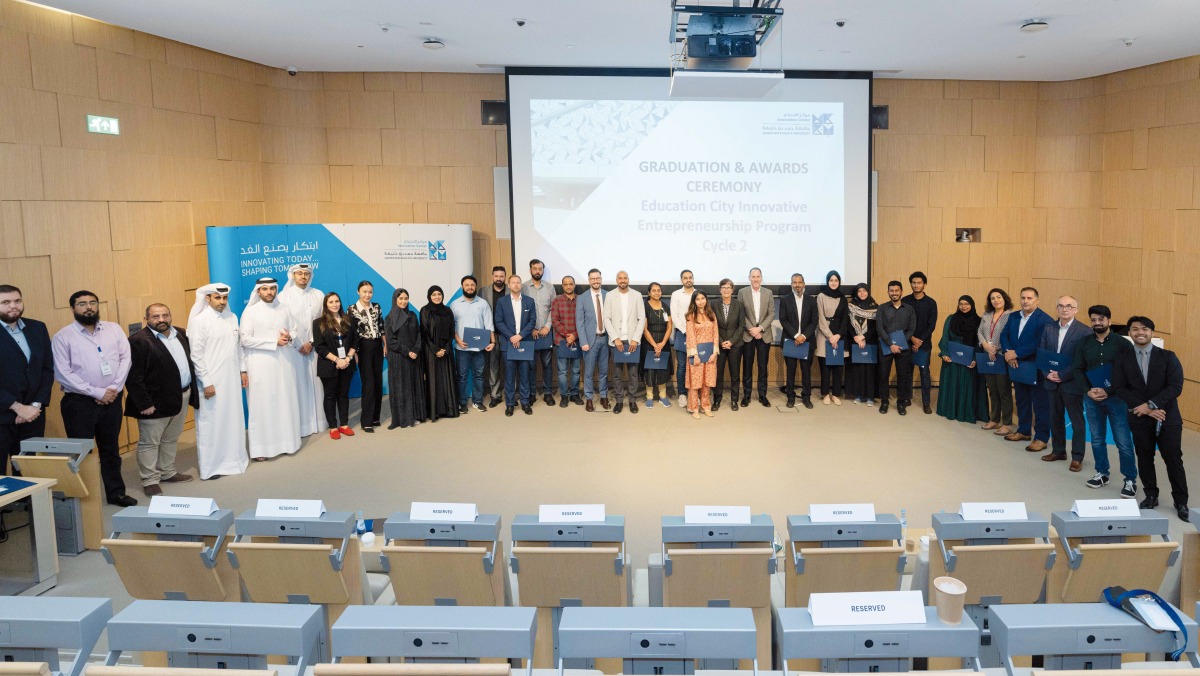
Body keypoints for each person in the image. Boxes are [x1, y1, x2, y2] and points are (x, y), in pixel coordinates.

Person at [52, 290, 136, 506]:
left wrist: (113, 389)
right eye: (82, 304)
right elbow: (63, 373)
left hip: (112, 399)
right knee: (83, 453)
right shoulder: (63, 337)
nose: (88, 307)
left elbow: (125, 359)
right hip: (79, 403)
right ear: (72, 309)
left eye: (92, 303)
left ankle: (116, 493)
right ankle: (86, 500)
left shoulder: (113, 329)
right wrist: (97, 392)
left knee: (111, 449)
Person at [1112, 316, 1188, 521]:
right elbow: (1119, 387)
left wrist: (1151, 405)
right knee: (1145, 457)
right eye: (1135, 329)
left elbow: (1175, 386)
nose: (1140, 332)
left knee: (1173, 458)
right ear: (1130, 333)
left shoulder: (1168, 356)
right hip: (1139, 417)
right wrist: (1146, 409)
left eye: (1144, 329)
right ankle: (1151, 495)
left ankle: (1181, 501)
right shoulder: (1122, 358)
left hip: (1167, 417)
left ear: (1152, 332)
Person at [126, 303, 198, 496]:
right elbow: (133, 377)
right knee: (150, 442)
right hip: (154, 402)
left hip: (181, 396)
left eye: (165, 315)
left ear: (170, 316)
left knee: (171, 438)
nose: (161, 320)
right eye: (155, 317)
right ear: (146, 319)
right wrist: (144, 403)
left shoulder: (181, 334)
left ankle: (167, 472)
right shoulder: (138, 341)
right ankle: (149, 480)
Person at [1072, 305, 1137, 497]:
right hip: (1092, 399)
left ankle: (1130, 479)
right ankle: (1102, 473)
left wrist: (1108, 390)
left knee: (1123, 441)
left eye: (1101, 319)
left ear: (1109, 320)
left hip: (1117, 399)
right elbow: (1078, 369)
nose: (1097, 323)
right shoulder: (1084, 342)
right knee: (1097, 438)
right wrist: (1088, 391)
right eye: (1094, 320)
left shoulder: (1123, 344)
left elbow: (1130, 373)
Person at [187, 283, 248, 480]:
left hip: (231, 379)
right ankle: (211, 467)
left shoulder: (232, 317)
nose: (222, 302)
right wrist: (206, 382)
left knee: (233, 419)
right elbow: (196, 355)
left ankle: (234, 460)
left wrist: (243, 370)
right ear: (208, 299)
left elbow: (238, 347)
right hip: (211, 381)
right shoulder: (199, 321)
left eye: (224, 298)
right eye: (217, 298)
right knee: (212, 423)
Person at [240, 278, 302, 460]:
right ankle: (262, 449)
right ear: (258, 291)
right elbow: (245, 339)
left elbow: (294, 330)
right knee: (263, 405)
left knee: (285, 402)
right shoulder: (250, 312)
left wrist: (289, 337)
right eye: (265, 289)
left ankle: (288, 443)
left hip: (285, 364)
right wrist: (273, 342)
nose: (269, 292)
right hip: (261, 366)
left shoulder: (284, 308)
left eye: (272, 288)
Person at [0, 285, 53, 477]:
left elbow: (47, 369)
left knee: (29, 471)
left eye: (17, 301)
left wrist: (35, 406)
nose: (13, 306)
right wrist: (17, 407)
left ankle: (29, 499)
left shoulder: (37, 328)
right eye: (5, 302)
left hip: (33, 415)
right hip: (2, 415)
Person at [1037, 295, 1091, 469]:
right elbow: (1042, 353)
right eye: (1061, 306)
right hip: (1051, 381)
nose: (1064, 309)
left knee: (1077, 422)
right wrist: (1047, 373)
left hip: (1071, 382)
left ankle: (1077, 457)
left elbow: (1081, 360)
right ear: (1057, 309)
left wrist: (1062, 375)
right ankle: (1058, 451)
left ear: (1076, 310)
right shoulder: (1049, 327)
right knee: (1055, 418)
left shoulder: (1084, 331)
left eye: (1069, 306)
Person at [1000, 287, 1053, 449]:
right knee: (1021, 400)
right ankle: (1024, 431)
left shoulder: (1045, 320)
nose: (1025, 301)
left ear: (1037, 300)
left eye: (1029, 298)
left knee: (1040, 404)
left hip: (1035, 367)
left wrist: (1016, 353)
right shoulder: (1013, 316)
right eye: (1023, 298)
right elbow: (1004, 335)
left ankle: (1041, 437)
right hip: (1016, 364)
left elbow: (1039, 343)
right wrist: (1008, 353)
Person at [277, 263, 325, 437]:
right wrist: (297, 344)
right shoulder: (283, 297)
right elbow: (283, 324)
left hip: (315, 348)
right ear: (293, 275)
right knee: (298, 386)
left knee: (317, 384)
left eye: (306, 273)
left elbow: (323, 322)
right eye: (299, 273)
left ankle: (320, 422)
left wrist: (311, 342)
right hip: (293, 350)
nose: (303, 276)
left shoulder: (318, 294)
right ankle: (302, 426)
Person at [313, 292, 358, 439]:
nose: (334, 304)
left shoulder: (349, 320)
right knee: (330, 396)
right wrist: (337, 360)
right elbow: (320, 347)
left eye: (337, 301)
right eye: (331, 302)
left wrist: (348, 358)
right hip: (328, 365)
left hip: (347, 364)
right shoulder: (318, 323)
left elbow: (355, 341)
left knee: (343, 394)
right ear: (326, 305)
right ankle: (333, 427)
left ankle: (344, 425)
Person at [449, 275, 494, 414]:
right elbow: (451, 326)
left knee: (478, 375)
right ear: (462, 287)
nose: (470, 287)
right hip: (462, 347)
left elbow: (489, 324)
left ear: (475, 286)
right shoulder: (455, 304)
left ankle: (477, 401)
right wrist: (457, 340)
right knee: (462, 376)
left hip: (479, 348)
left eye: (472, 285)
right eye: (467, 285)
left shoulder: (483, 303)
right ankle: (462, 403)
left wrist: (492, 341)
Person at [603, 271, 645, 414]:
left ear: (628, 279)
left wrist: (635, 339)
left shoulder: (637, 295)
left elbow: (641, 318)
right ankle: (619, 401)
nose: (623, 280)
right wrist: (615, 338)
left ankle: (632, 401)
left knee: (633, 374)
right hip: (617, 342)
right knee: (617, 374)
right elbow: (606, 318)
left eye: (625, 278)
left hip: (633, 341)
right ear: (616, 280)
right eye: (620, 278)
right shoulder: (610, 295)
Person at [386, 288, 428, 429]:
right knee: (401, 387)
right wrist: (407, 351)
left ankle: (415, 415)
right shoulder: (390, 318)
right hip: (399, 358)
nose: (403, 301)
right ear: (395, 300)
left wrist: (415, 350)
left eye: (406, 298)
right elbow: (391, 341)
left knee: (414, 385)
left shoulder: (412, 315)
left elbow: (419, 334)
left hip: (414, 356)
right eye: (401, 299)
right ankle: (403, 419)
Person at [935, 296, 981, 423]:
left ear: (972, 305)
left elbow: (979, 342)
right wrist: (944, 353)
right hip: (952, 358)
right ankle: (950, 410)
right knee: (952, 385)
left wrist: (975, 358)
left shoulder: (978, 321)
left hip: (968, 360)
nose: (963, 306)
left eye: (966, 304)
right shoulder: (951, 319)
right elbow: (945, 337)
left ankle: (964, 412)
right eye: (961, 304)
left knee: (966, 386)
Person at [496, 274, 536, 416]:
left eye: (518, 282)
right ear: (509, 285)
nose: (516, 285)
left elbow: (532, 321)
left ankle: (525, 402)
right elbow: (498, 321)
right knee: (509, 375)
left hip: (524, 342)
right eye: (513, 282)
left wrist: (520, 336)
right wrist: (512, 337)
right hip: (508, 343)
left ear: (521, 285)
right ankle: (510, 403)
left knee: (524, 374)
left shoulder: (529, 301)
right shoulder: (501, 302)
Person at [347, 281, 385, 432]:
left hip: (377, 345)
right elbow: (351, 333)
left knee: (378, 382)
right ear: (358, 292)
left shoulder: (376, 307)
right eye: (364, 291)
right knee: (368, 383)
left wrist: (385, 345)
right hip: (363, 347)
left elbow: (381, 327)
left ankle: (375, 418)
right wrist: (354, 352)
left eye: (370, 292)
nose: (367, 295)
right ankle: (366, 421)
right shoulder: (352, 309)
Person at [978, 288, 1014, 435]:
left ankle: (1007, 423)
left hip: (1001, 356)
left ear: (1004, 298)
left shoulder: (1010, 315)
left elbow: (1009, 335)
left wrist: (995, 349)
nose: (996, 300)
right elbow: (980, 331)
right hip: (987, 355)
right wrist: (986, 346)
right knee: (992, 390)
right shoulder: (986, 314)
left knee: (1004, 391)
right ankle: (994, 420)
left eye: (998, 297)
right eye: (992, 298)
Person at [877, 280, 916, 415]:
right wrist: (891, 344)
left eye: (896, 290)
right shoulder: (882, 308)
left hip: (903, 348)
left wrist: (901, 343)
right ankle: (884, 401)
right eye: (891, 291)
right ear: (888, 292)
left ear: (901, 292)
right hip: (885, 346)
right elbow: (880, 328)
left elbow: (911, 329)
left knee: (903, 376)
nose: (894, 293)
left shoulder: (909, 309)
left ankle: (901, 402)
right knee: (883, 375)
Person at [778, 273, 817, 409]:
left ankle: (806, 397)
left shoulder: (811, 300)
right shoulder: (785, 300)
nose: (797, 285)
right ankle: (790, 397)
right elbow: (783, 320)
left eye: (800, 282)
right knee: (791, 371)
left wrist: (803, 336)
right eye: (795, 282)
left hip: (807, 341)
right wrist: (796, 336)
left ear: (804, 284)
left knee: (806, 371)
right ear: (791, 284)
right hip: (791, 341)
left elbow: (814, 321)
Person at [422, 285, 460, 421]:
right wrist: (435, 350)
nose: (437, 297)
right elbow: (425, 332)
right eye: (434, 295)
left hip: (446, 350)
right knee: (434, 380)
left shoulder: (448, 311)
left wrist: (446, 348)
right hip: (431, 351)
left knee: (447, 379)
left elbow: (451, 331)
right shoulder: (425, 311)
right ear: (429, 296)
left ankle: (449, 409)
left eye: (439, 294)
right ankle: (435, 412)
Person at [738, 267, 775, 408]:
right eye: (753, 276)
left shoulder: (768, 293)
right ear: (749, 278)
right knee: (747, 367)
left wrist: (760, 328)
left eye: (758, 276)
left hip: (764, 334)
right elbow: (741, 313)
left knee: (762, 367)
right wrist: (752, 329)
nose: (755, 279)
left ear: (761, 278)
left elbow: (772, 313)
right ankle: (746, 395)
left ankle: (762, 395)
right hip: (748, 334)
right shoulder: (742, 292)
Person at [902, 272, 938, 414]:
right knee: (907, 371)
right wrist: (912, 338)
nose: (916, 285)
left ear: (924, 284)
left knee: (924, 373)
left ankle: (926, 402)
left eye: (919, 283)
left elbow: (931, 325)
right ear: (910, 284)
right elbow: (902, 323)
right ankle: (907, 398)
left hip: (924, 344)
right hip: (907, 342)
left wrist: (919, 340)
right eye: (914, 282)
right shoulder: (905, 301)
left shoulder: (931, 303)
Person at [523, 259, 557, 405]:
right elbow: (521, 310)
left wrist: (547, 326)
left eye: (540, 269)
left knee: (547, 365)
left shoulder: (550, 287)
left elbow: (553, 308)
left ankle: (547, 393)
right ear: (530, 270)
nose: (537, 271)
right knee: (530, 366)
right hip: (529, 333)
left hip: (546, 333)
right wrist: (531, 328)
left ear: (543, 270)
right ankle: (531, 393)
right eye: (535, 268)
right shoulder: (523, 287)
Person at [576, 268, 610, 412]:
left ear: (601, 279)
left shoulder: (608, 295)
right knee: (588, 372)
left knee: (604, 371)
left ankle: (603, 396)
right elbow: (579, 322)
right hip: (590, 341)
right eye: (592, 279)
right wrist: (583, 341)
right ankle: (589, 398)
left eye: (598, 278)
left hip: (605, 339)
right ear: (589, 280)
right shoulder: (582, 298)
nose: (595, 281)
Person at [815, 271, 850, 406]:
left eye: (836, 280)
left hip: (839, 335)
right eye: (831, 280)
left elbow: (845, 319)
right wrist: (830, 336)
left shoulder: (843, 298)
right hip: (824, 335)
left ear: (839, 282)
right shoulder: (821, 296)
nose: (834, 282)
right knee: (825, 367)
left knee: (838, 368)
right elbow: (820, 318)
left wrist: (838, 335)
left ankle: (835, 394)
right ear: (827, 281)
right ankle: (825, 394)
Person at [551, 275, 584, 408]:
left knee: (576, 370)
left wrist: (574, 336)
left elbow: (584, 320)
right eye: (566, 284)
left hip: (577, 340)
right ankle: (564, 395)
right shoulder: (557, 300)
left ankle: (575, 394)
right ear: (562, 286)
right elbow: (555, 321)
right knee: (562, 371)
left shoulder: (581, 300)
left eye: (571, 284)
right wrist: (567, 335)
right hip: (561, 341)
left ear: (574, 285)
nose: (568, 286)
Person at [685, 291, 719, 419]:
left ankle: (706, 406)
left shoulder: (711, 314)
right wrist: (695, 355)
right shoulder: (691, 316)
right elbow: (690, 336)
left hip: (710, 355)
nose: (701, 301)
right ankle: (694, 408)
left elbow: (716, 334)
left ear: (706, 299)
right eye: (698, 299)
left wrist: (715, 353)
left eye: (703, 298)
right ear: (694, 301)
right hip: (696, 355)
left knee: (706, 382)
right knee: (695, 382)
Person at [712, 279, 744, 411]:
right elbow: (712, 325)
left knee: (735, 374)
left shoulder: (739, 305)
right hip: (718, 344)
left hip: (735, 345)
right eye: (723, 287)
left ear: (732, 290)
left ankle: (734, 400)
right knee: (718, 374)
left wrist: (731, 341)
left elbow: (742, 325)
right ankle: (717, 400)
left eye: (728, 287)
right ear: (720, 290)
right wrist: (721, 341)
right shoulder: (713, 304)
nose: (726, 290)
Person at [846, 283, 879, 405]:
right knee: (857, 369)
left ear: (868, 292)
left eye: (864, 291)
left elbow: (875, 327)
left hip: (870, 341)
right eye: (859, 291)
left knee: (869, 370)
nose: (862, 293)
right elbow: (848, 324)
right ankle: (858, 395)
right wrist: (856, 337)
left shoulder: (875, 307)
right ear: (856, 293)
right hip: (854, 341)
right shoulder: (850, 306)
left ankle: (870, 396)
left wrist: (864, 337)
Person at [643, 282, 673, 409]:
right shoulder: (645, 306)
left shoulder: (665, 306)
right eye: (654, 290)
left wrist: (663, 343)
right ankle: (649, 397)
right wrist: (655, 345)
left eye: (659, 290)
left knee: (662, 368)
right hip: (649, 341)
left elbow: (669, 326)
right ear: (649, 293)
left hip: (663, 341)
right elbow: (644, 329)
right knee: (650, 369)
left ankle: (663, 396)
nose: (657, 292)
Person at [480, 266, 507, 408]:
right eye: (496, 276)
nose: (499, 279)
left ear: (505, 277)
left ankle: (510, 394)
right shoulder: (483, 291)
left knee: (510, 366)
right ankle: (495, 395)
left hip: (508, 334)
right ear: (492, 276)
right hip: (491, 334)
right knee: (493, 366)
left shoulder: (511, 290)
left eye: (501, 276)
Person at [669, 270, 696, 408]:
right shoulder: (676, 294)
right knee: (682, 365)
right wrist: (686, 330)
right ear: (681, 280)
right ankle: (682, 394)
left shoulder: (698, 293)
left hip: (697, 334)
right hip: (682, 333)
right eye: (685, 278)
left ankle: (694, 393)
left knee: (695, 364)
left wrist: (695, 330)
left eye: (690, 277)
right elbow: (674, 316)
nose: (688, 280)